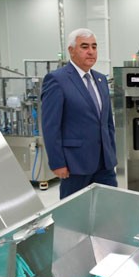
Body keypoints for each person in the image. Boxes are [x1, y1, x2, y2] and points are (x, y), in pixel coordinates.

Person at [41, 28, 117, 199]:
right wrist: (57, 162)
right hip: (75, 164)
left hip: (105, 164)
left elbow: (107, 123)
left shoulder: (101, 79)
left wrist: (111, 153)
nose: (91, 51)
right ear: (71, 50)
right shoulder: (57, 80)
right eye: (84, 46)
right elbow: (51, 126)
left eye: (94, 46)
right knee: (74, 212)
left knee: (109, 207)